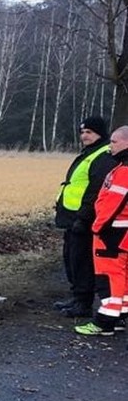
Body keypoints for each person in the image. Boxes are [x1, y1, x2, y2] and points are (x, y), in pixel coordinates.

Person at [53, 115, 117, 318]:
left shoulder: (103, 155)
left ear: (100, 133)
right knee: (71, 259)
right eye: (82, 132)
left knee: (82, 261)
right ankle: (76, 298)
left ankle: (83, 303)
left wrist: (84, 217)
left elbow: (95, 190)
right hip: (72, 216)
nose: (84, 136)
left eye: (89, 132)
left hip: (84, 218)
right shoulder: (90, 152)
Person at [76, 126, 128, 336]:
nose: (110, 146)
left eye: (114, 142)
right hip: (121, 232)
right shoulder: (121, 167)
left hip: (112, 232)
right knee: (122, 277)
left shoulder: (124, 171)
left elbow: (113, 204)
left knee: (108, 277)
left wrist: (98, 227)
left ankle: (104, 321)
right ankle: (119, 316)